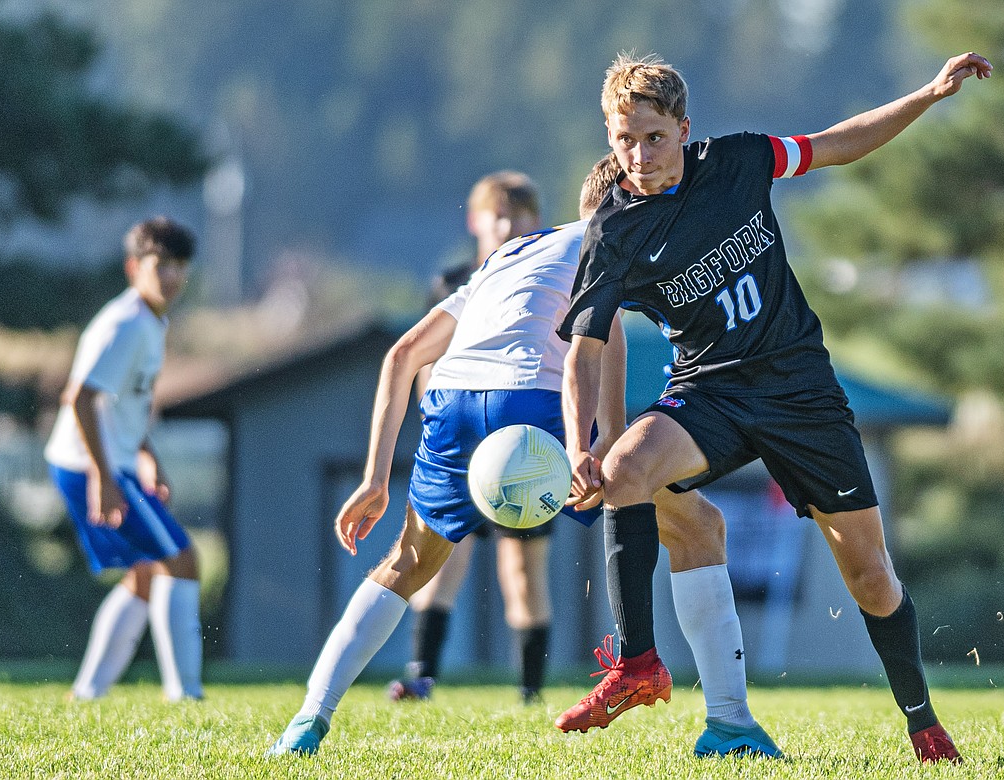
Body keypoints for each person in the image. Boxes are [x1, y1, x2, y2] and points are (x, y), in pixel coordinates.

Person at [556, 52, 993, 764]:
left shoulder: (738, 161)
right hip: (711, 389)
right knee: (628, 469)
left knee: (871, 577)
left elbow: (838, 142)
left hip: (801, 392)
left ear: (684, 128)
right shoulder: (612, 230)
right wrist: (584, 444)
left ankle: (922, 721)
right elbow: (587, 348)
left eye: (653, 137)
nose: (638, 155)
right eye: (622, 139)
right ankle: (637, 665)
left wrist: (928, 94)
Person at [267, 155, 746, 757]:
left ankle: (308, 719)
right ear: (631, 198)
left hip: (454, 400)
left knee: (407, 562)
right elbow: (606, 337)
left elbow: (401, 356)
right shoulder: (616, 236)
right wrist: (612, 445)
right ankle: (730, 724)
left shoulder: (508, 254)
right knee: (700, 525)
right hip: (537, 398)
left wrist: (374, 480)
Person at [391, 172, 553, 704]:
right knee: (440, 558)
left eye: (521, 216)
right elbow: (423, 357)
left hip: (524, 447)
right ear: (476, 221)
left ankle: (531, 691)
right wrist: (430, 421)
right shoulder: (454, 283)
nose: (509, 226)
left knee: (523, 573)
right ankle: (421, 676)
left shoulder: (549, 277)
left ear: (537, 222)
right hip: (463, 445)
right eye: (499, 215)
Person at [45, 217, 203, 702]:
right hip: (90, 463)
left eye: (180, 266)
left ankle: (87, 693)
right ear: (134, 267)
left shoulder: (152, 321)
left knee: (143, 574)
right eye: (161, 264)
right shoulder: (125, 323)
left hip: (110, 462)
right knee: (181, 559)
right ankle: (186, 696)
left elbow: (123, 406)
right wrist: (103, 477)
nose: (172, 276)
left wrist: (146, 456)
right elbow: (80, 397)